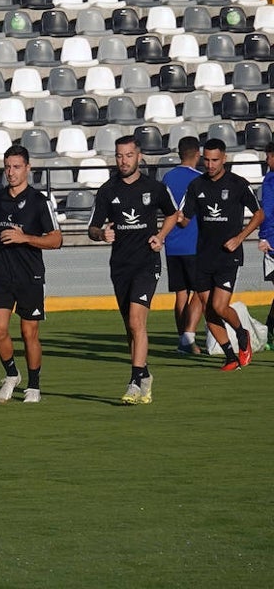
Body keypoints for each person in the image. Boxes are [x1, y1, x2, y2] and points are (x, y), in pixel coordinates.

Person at [89, 134, 178, 405]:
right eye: (119, 156)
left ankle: (134, 381)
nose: (123, 161)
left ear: (139, 156)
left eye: (128, 155)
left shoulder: (155, 187)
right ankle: (145, 375)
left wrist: (160, 236)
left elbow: (173, 213)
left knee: (137, 321)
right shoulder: (107, 190)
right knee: (130, 326)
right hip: (120, 266)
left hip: (146, 264)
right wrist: (101, 234)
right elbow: (92, 227)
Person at [0, 145, 62, 404]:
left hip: (30, 274)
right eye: (7, 167)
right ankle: (12, 374)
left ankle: (34, 386)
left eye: (16, 167)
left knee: (29, 334)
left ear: (28, 168)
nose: (11, 172)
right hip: (2, 273)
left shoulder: (39, 201)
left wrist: (23, 237)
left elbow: (56, 239)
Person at [176, 138, 264, 370]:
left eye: (215, 160)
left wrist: (240, 238)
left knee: (219, 306)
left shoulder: (237, 184)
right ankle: (230, 357)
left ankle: (241, 333)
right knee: (208, 310)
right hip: (203, 256)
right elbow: (184, 220)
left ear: (224, 159)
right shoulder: (196, 186)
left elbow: (259, 214)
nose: (210, 164)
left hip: (228, 256)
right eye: (206, 159)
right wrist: (175, 217)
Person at [163, 136, 204, 355]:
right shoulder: (199, 179)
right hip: (194, 243)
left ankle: (182, 340)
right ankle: (189, 338)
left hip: (172, 243)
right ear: (197, 154)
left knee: (180, 295)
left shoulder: (168, 177)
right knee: (200, 292)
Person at [259, 141, 274, 335]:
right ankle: (269, 329)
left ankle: (269, 329)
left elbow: (267, 211)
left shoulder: (270, 180)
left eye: (269, 156)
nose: (267, 160)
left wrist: (264, 236)